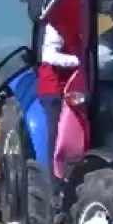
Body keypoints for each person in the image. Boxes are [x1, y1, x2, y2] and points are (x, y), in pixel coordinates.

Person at [38, 21, 81, 172]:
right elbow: (49, 56)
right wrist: (80, 61)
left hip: (73, 87)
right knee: (56, 136)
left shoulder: (84, 23)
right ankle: (56, 183)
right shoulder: (56, 25)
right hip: (54, 89)